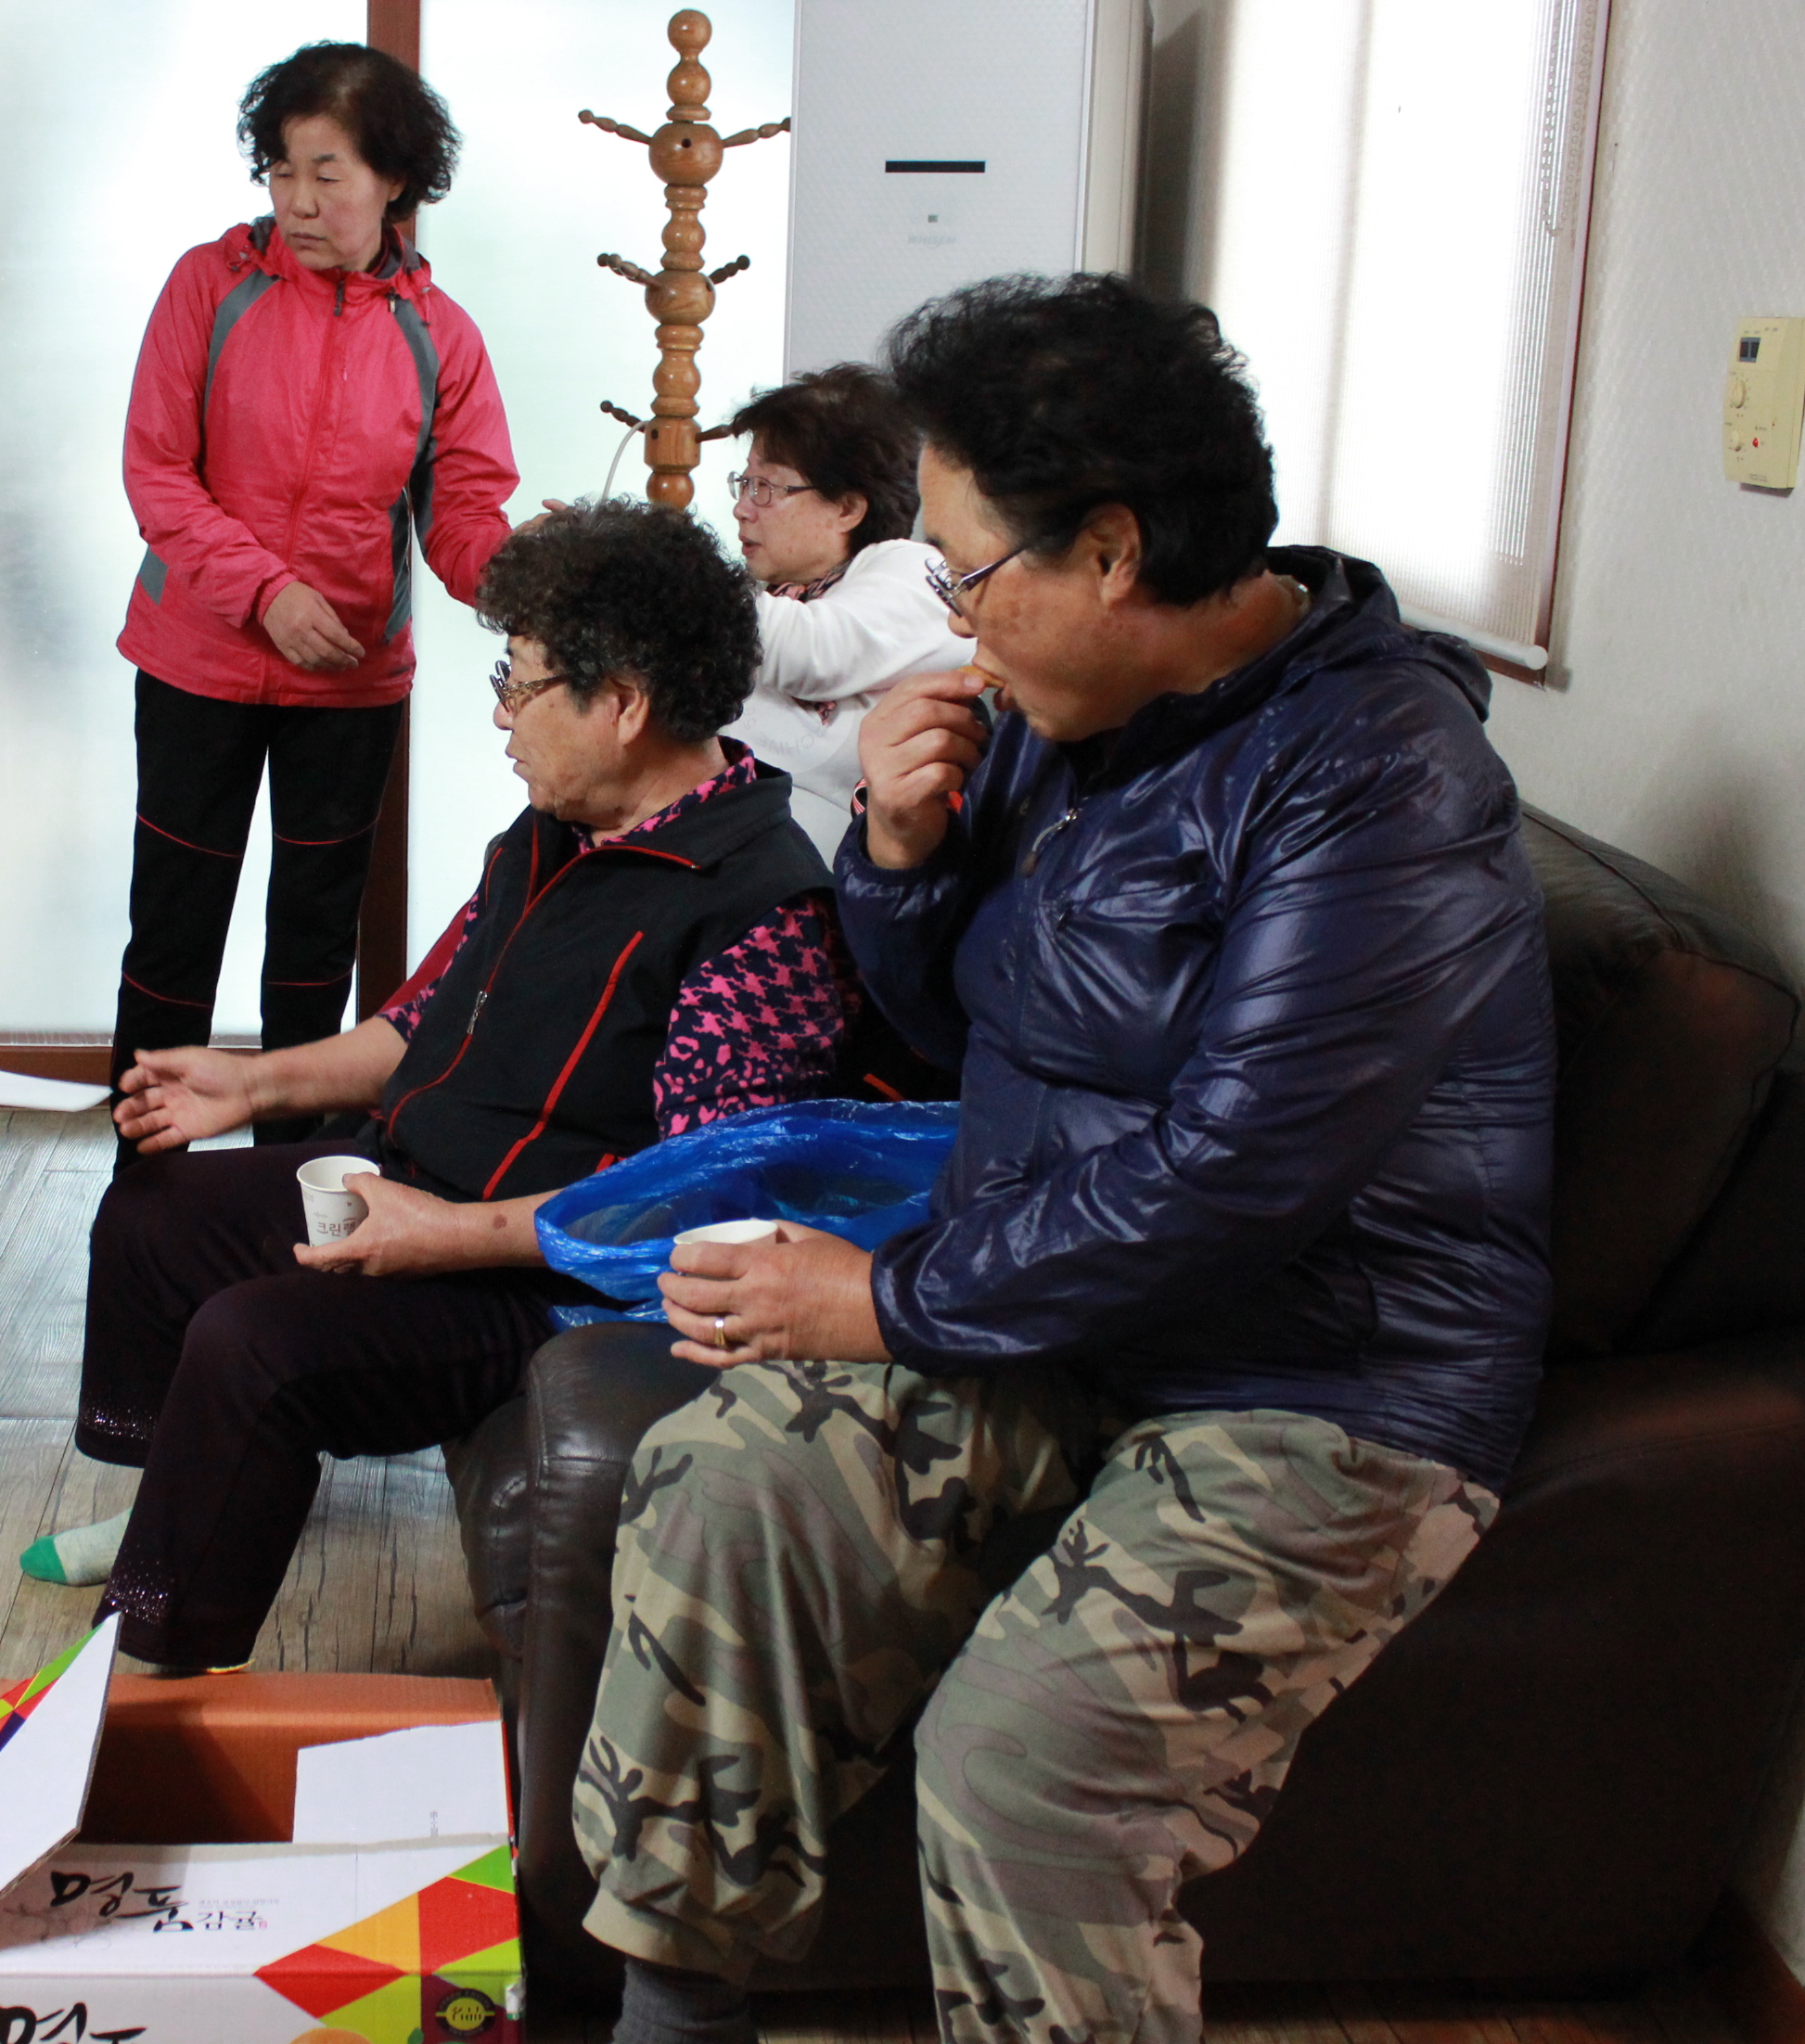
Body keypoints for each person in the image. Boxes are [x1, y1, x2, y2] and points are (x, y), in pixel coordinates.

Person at [567, 277, 1556, 2044]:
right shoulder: (1056, 716)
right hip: (1069, 1317)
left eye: (963, 570)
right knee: (735, 1474)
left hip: (1324, 1378)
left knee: (1026, 1754)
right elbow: (967, 1033)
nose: (945, 621)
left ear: (1110, 548)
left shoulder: (1381, 772)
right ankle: (673, 2010)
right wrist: (896, 846)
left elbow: (1238, 1167)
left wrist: (883, 1292)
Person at [27, 503, 860, 1670]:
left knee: (253, 1342)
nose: (505, 723)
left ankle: (165, 1664)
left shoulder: (758, 908)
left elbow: (692, 1204)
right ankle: (180, 1498)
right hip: (425, 1185)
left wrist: (450, 1237)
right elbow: (423, 1021)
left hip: (544, 1278)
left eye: (519, 688)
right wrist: (251, 1086)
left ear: (620, 705)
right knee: (155, 1212)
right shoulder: (552, 830)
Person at [112, 41, 518, 1156]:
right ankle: (142, 1184)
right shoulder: (211, 284)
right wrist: (264, 592)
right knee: (172, 937)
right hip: (195, 660)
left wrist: (538, 585)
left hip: (350, 683)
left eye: (327, 173)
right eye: (282, 170)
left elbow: (467, 515)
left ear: (395, 180)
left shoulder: (442, 336)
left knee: (314, 948)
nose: (296, 200)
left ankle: (285, 1184)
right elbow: (158, 472)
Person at [714, 364, 962, 854]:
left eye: (766, 487)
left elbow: (812, 654)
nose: (743, 508)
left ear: (847, 508)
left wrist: (659, 578)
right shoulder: (771, 599)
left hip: (821, 888)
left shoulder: (916, 572)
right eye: (743, 484)